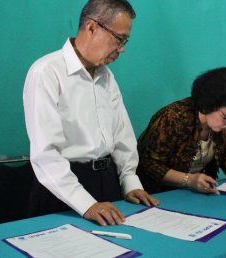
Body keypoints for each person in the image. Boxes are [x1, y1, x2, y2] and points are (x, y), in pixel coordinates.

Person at [23, 0, 159, 227]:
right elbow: (46, 154)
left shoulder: (106, 77)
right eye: (119, 39)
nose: (122, 48)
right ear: (92, 27)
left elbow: (122, 133)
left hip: (107, 180)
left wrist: (130, 180)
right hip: (63, 190)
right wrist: (86, 204)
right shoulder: (47, 72)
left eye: (126, 41)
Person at [136, 67, 226, 194]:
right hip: (157, 193)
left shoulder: (221, 121)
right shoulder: (173, 118)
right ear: (208, 104)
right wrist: (188, 180)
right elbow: (149, 164)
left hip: (192, 192)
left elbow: (223, 152)